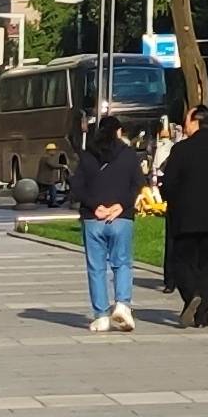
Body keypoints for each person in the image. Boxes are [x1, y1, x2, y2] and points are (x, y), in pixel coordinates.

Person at [156, 110, 208, 328]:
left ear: (196, 122)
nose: (184, 125)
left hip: (185, 218)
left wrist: (170, 199)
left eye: (187, 121)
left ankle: (192, 295)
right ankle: (202, 314)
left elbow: (169, 183)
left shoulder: (181, 149)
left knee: (182, 262)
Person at [70, 120, 144, 330]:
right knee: (122, 263)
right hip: (121, 218)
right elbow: (138, 184)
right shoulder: (128, 155)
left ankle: (101, 315)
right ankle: (122, 304)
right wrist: (121, 205)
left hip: (93, 219)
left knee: (96, 268)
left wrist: (95, 206)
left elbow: (77, 186)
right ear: (118, 132)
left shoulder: (87, 156)